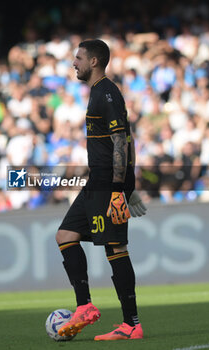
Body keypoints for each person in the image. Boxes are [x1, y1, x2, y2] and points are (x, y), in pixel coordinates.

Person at [55, 39, 147, 341]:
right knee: (65, 235)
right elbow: (119, 141)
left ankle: (131, 324)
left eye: (78, 58)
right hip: (99, 181)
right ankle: (84, 305)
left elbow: (121, 141)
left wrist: (120, 189)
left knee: (116, 248)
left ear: (94, 61)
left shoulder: (106, 93)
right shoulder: (99, 93)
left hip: (107, 183)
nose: (74, 63)